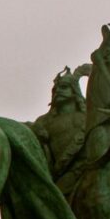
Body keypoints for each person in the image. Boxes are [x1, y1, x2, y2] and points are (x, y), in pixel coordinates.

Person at [30, 64, 90, 198]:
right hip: (55, 174)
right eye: (55, 89)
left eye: (63, 87)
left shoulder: (86, 116)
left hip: (81, 169)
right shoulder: (43, 121)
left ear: (74, 90)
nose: (58, 91)